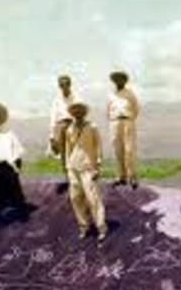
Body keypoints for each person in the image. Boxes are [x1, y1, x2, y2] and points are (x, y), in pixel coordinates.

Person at [64, 101, 108, 243]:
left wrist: (98, 166)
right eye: (74, 110)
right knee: (75, 198)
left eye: (79, 109)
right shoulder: (69, 129)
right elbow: (68, 150)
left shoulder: (92, 127)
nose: (77, 112)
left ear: (84, 112)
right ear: (71, 113)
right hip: (73, 167)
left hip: (89, 167)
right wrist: (68, 168)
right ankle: (84, 226)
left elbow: (98, 147)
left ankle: (101, 228)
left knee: (93, 199)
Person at [107, 71, 140, 189]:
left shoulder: (130, 94)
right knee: (117, 149)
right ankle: (120, 176)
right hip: (115, 122)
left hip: (127, 121)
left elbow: (136, 109)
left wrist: (129, 119)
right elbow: (108, 110)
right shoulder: (111, 95)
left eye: (120, 79)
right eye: (116, 79)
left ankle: (132, 177)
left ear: (124, 81)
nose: (118, 81)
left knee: (129, 150)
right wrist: (113, 120)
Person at [48, 75, 76, 193]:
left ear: (70, 84)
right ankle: (68, 178)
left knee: (74, 152)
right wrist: (51, 136)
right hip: (60, 125)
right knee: (64, 154)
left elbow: (81, 112)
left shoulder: (76, 98)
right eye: (62, 84)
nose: (64, 86)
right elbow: (53, 117)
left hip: (73, 125)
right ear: (59, 86)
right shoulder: (57, 100)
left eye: (66, 84)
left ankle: (76, 178)